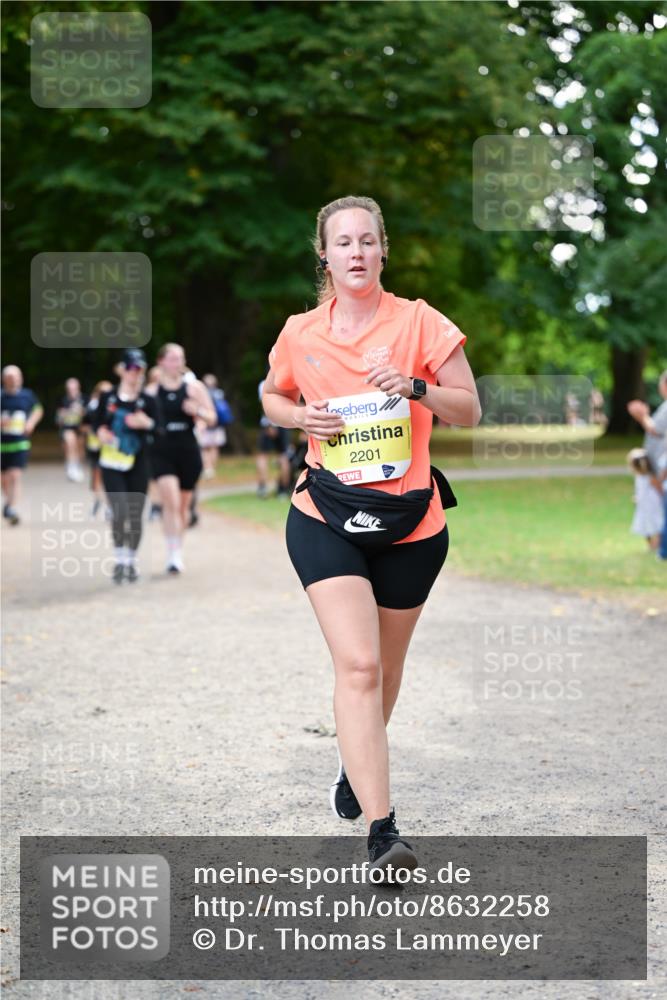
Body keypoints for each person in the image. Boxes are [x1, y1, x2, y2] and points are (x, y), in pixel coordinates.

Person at [262, 195, 481, 876]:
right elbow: (269, 396)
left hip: (412, 523)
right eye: (342, 243)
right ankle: (383, 832)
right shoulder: (301, 332)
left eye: (367, 241)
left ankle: (352, 758)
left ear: (383, 249)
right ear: (323, 255)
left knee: (382, 673)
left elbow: (469, 409)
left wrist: (417, 388)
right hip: (325, 512)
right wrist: (301, 417)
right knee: (356, 666)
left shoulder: (420, 322)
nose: (355, 253)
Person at [146, 343, 216, 573]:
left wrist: (196, 411)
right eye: (173, 358)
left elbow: (212, 418)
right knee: (171, 502)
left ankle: (178, 550)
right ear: (161, 362)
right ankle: (171, 554)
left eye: (181, 358)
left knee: (184, 506)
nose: (178, 363)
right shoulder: (151, 392)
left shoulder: (194, 388)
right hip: (162, 452)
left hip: (187, 451)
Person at [93, 349, 158, 583]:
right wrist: (100, 432)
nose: (137, 374)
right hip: (112, 462)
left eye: (141, 369)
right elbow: (95, 425)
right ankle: (120, 560)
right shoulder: (108, 397)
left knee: (135, 512)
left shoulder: (148, 401)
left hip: (139, 462)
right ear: (122, 370)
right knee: (119, 510)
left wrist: (146, 423)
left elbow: (159, 430)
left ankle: (131, 560)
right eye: (132, 368)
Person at [628, 371, 667, 561]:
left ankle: (659, 546)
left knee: (655, 508)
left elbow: (655, 430)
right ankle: (657, 545)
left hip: (658, 470)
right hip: (655, 468)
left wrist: (642, 415)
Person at [1, 365, 43, 525]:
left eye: (17, 376)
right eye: (11, 377)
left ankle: (11, 508)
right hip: (2, 445)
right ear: (4, 379)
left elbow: (38, 409)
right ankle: (8, 502)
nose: (15, 380)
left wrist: (31, 423)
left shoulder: (27, 395)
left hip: (20, 443)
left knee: (15, 475)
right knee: (4, 479)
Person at [81, 380, 113, 517]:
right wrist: (94, 431)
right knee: (96, 478)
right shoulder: (92, 408)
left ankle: (109, 506)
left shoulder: (116, 407)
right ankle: (98, 502)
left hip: (112, 449)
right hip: (96, 448)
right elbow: (83, 426)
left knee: (110, 478)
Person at [256, 377, 291, 498]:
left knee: (263, 456)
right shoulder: (286, 382)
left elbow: (265, 404)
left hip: (269, 423)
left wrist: (270, 424)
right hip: (283, 423)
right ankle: (283, 489)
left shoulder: (264, 383)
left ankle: (263, 487)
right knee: (283, 456)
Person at [627, 448, 664, 551]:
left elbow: (658, 488)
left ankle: (656, 544)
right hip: (646, 504)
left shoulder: (647, 477)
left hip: (651, 504)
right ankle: (654, 544)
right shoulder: (643, 477)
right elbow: (658, 489)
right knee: (651, 522)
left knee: (655, 522)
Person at [197, 373, 230, 479]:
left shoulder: (202, 393)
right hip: (217, 424)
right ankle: (212, 469)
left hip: (206, 423)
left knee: (204, 448)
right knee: (214, 447)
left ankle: (208, 468)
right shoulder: (219, 393)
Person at [56, 377, 87, 482]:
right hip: (67, 428)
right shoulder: (63, 400)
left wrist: (81, 411)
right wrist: (65, 413)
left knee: (80, 449)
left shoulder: (84, 399)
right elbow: (58, 418)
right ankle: (71, 467)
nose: (71, 390)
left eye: (73, 387)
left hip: (81, 428)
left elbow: (89, 414)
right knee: (70, 443)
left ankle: (77, 466)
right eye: (69, 388)